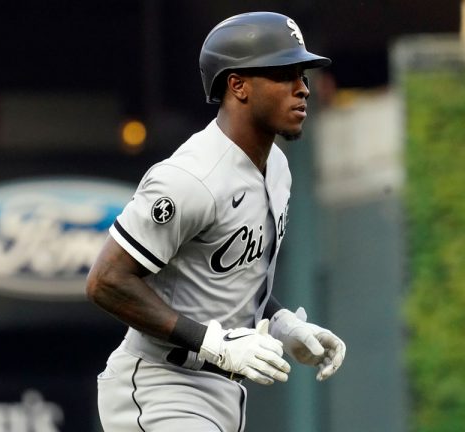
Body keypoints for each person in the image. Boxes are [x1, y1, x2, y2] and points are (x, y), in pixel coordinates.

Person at [86, 11, 346, 431]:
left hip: (222, 392)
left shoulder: (277, 167)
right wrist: (212, 342)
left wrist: (283, 324)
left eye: (303, 75)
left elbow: (231, 279)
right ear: (237, 85)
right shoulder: (190, 177)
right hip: (161, 383)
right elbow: (106, 280)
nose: (302, 89)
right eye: (284, 74)